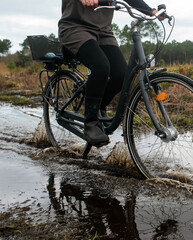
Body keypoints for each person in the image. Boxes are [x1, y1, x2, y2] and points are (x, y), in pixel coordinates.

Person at [58, 0, 160, 146]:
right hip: (75, 28)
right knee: (101, 66)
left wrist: (152, 11)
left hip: (102, 31)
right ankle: (91, 123)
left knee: (122, 75)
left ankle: (99, 106)